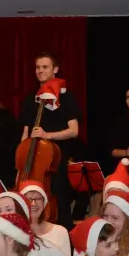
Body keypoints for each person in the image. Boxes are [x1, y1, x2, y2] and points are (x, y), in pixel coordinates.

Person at [19, 55, 83, 226]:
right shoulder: (31, 98)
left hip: (56, 162)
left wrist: (47, 135)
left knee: (59, 201)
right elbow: (26, 132)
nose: (40, 70)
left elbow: (74, 131)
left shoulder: (66, 97)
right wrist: (21, 161)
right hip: (33, 161)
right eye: (38, 67)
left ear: (55, 69)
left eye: (45, 67)